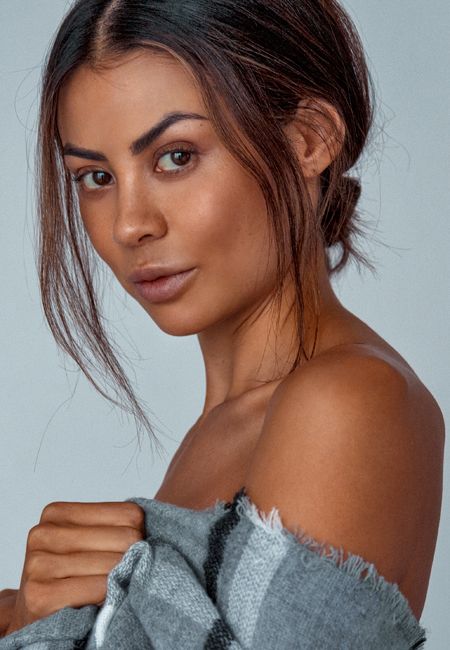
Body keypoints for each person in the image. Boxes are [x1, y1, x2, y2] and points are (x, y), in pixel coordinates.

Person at [0, 0, 445, 645]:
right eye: (95, 176)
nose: (129, 224)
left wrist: (38, 626)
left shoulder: (345, 401)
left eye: (176, 157)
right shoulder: (225, 426)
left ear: (308, 140)